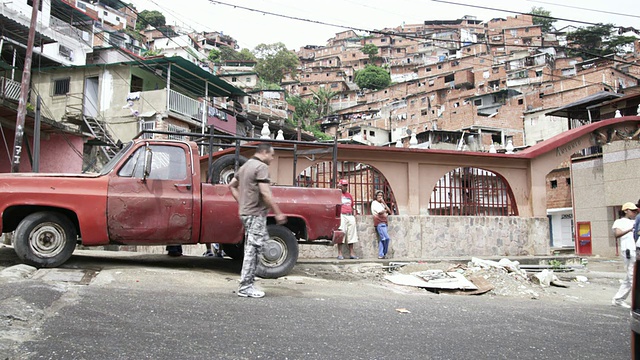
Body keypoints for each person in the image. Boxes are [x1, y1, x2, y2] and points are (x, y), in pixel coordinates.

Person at [229, 143, 286, 298]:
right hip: (255, 214)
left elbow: (232, 185)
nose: (272, 159)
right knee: (253, 250)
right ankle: (245, 286)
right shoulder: (260, 167)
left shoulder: (245, 166)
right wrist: (278, 213)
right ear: (264, 152)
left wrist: (241, 202)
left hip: (247, 213)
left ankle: (248, 281)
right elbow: (266, 194)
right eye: (271, 155)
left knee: (255, 246)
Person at [611, 202, 638, 308]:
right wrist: (630, 230)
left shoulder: (636, 221)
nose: (634, 213)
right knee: (632, 276)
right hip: (628, 251)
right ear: (626, 211)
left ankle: (618, 299)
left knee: (629, 277)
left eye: (636, 211)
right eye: (632, 211)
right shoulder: (620, 222)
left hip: (635, 250)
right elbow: (617, 234)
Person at [336, 179, 359, 260]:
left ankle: (352, 253)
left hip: (349, 215)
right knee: (342, 233)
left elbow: (352, 205)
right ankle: (339, 253)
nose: (345, 187)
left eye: (346, 185)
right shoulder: (337, 194)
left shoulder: (349, 195)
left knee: (352, 234)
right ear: (340, 185)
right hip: (342, 215)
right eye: (344, 185)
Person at [371, 190, 392, 259]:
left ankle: (382, 254)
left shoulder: (382, 204)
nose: (380, 197)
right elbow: (380, 212)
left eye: (381, 196)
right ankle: (383, 253)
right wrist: (385, 211)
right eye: (379, 195)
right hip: (379, 222)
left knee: (383, 239)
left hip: (384, 223)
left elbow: (389, 211)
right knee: (385, 238)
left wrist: (384, 204)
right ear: (376, 196)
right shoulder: (374, 203)